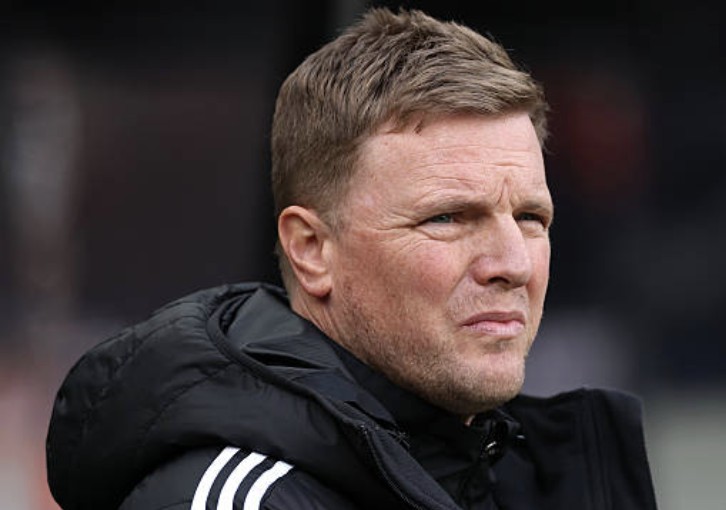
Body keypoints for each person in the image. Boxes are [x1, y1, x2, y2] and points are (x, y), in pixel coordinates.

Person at [46, 7, 658, 510]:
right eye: (447, 218)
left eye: (530, 218)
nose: (513, 264)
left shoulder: (525, 471)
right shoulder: (240, 500)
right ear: (311, 250)